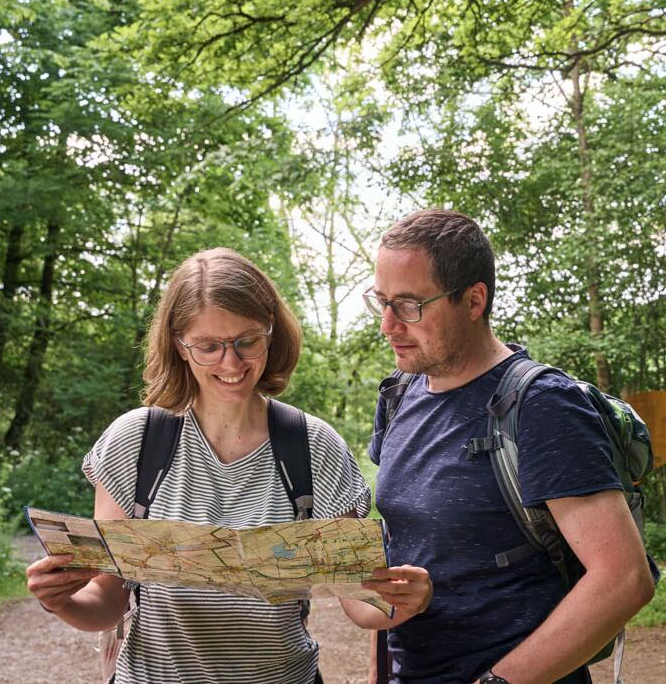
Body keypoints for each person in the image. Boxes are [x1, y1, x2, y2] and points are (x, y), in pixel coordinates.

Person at [25, 247, 431, 684]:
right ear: (179, 346)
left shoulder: (314, 446)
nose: (232, 363)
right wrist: (61, 600)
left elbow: (360, 601)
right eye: (208, 346)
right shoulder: (135, 442)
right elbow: (108, 600)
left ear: (270, 334)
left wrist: (401, 601)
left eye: (247, 341)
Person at [366, 210, 654, 684]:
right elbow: (398, 557)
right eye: (381, 302)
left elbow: (624, 578)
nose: (388, 325)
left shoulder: (543, 406)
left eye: (410, 306)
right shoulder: (399, 396)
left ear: (474, 299)